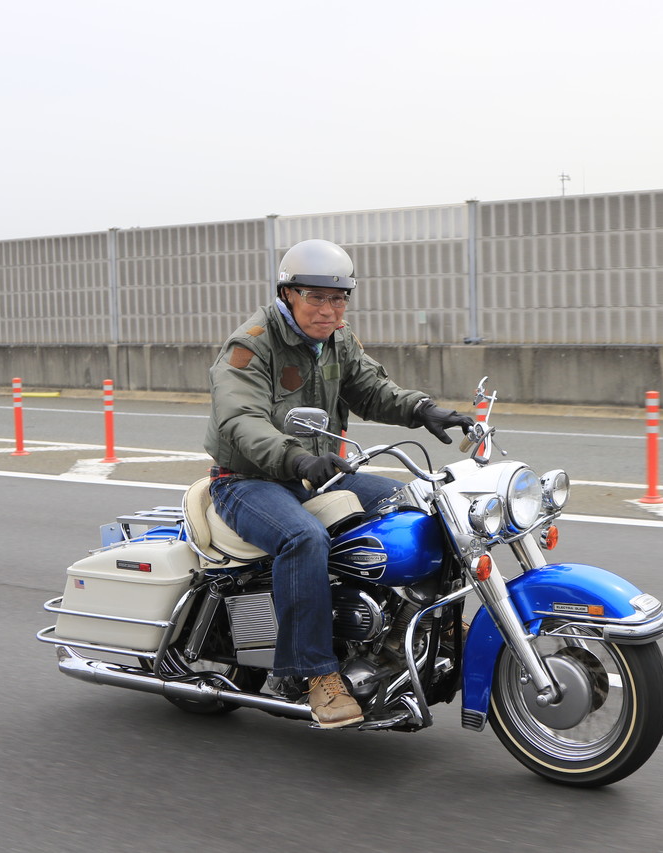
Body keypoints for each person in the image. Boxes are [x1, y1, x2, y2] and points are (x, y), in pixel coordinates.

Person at [203, 238, 473, 728]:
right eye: (316, 297)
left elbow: (372, 389)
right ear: (288, 294)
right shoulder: (251, 344)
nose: (330, 310)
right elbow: (240, 420)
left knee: (414, 503)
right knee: (303, 538)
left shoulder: (337, 340)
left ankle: (414, 626)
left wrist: (422, 408)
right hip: (247, 480)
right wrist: (299, 459)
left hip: (310, 472)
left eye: (339, 298)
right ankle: (313, 673)